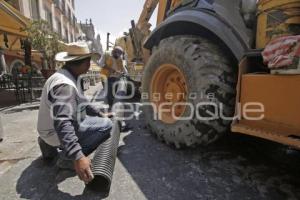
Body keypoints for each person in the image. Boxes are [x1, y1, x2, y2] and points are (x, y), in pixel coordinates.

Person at [37, 42, 113, 184]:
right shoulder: (65, 86)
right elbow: (62, 121)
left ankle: (47, 144)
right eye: (89, 62)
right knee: (107, 125)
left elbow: (84, 101)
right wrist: (78, 156)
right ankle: (66, 158)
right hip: (54, 132)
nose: (90, 65)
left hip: (46, 131)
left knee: (94, 117)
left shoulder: (65, 75)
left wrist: (99, 113)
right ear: (85, 64)